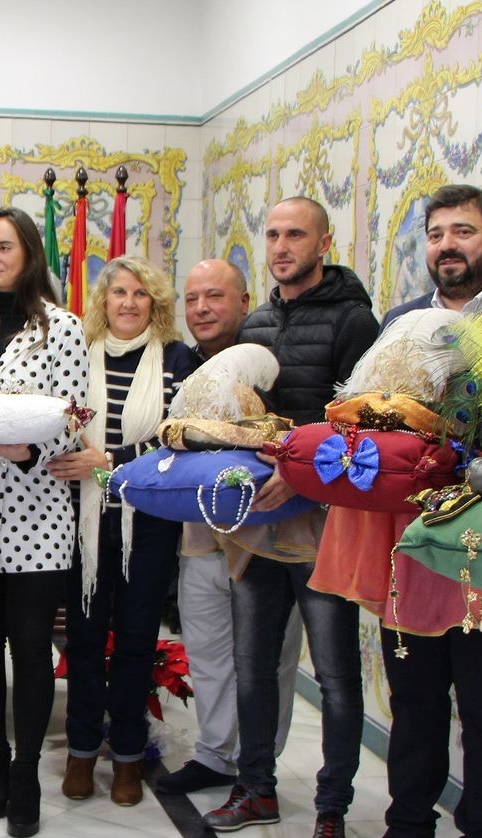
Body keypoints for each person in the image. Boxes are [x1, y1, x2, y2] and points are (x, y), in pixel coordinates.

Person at [328, 185, 482, 838]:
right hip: (411, 544)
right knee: (413, 696)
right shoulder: (402, 323)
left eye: (465, 232)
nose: (448, 245)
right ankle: (410, 833)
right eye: (437, 233)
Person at [204, 196, 379, 838]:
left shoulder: (354, 320)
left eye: (295, 234)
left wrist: (306, 476)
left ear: (323, 241)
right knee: (254, 668)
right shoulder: (256, 322)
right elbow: (246, 413)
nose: (281, 246)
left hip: (325, 526)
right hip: (259, 526)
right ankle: (256, 786)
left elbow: (365, 426)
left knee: (335, 674)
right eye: (272, 235)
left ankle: (332, 809)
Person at [0, 207, 89, 838]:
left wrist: (30, 450)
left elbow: (76, 412)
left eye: (5, 247)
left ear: (30, 253)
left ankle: (28, 770)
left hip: (40, 505)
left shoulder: (63, 327)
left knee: (31, 646)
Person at [51, 257, 197, 806]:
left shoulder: (177, 360)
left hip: (150, 524)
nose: (129, 303)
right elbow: (57, 426)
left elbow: (175, 436)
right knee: (84, 643)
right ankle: (82, 752)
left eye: (141, 293)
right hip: (83, 524)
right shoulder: (74, 357)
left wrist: (110, 459)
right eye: (119, 293)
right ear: (103, 301)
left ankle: (131, 758)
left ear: (154, 303)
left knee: (137, 643)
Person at [156, 259, 302, 797]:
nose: (201, 309)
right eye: (192, 299)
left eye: (214, 297)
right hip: (201, 538)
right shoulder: (179, 365)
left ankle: (257, 760)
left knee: (271, 657)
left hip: (269, 537)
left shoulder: (273, 363)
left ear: (244, 302)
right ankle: (215, 754)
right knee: (209, 649)